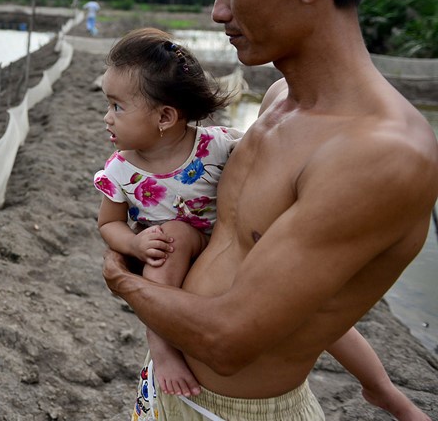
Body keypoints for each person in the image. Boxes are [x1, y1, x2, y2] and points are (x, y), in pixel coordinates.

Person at [102, 0, 438, 420]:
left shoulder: (382, 153)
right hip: (168, 386)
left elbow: (230, 342)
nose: (218, 11)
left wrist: (121, 277)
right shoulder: (280, 101)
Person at [94, 27, 426, 419]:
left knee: (326, 321)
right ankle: (163, 352)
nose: (106, 117)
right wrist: (132, 246)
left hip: (223, 243)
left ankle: (381, 387)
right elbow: (108, 224)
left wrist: (123, 278)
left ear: (166, 116)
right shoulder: (119, 171)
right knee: (170, 241)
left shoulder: (219, 146)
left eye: (117, 106)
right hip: (171, 251)